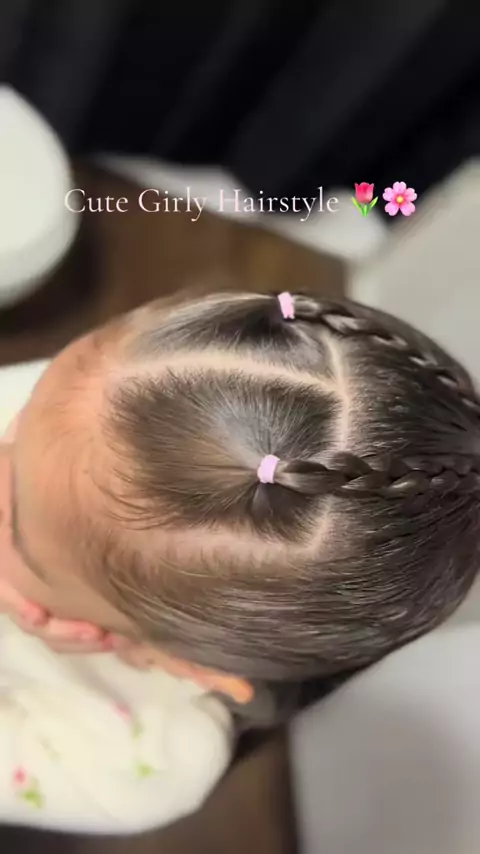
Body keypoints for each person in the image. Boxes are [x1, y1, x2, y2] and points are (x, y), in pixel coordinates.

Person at [0, 289, 479, 833]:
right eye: (21, 421)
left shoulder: (132, 764)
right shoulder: (91, 415)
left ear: (184, 663)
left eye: (13, 529)